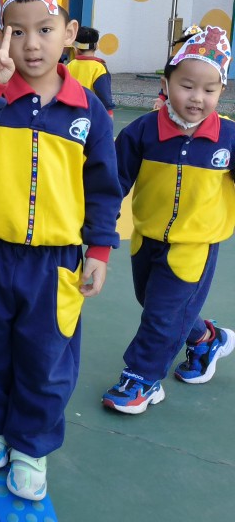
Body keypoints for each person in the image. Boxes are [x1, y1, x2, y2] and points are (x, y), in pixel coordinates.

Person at [0, 0, 122, 502]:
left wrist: (100, 250)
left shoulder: (89, 111)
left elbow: (104, 187)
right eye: (17, 32)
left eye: (44, 29)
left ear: (70, 32)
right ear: (0, 35)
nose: (32, 44)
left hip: (54, 262)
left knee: (47, 360)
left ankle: (31, 447)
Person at [102, 25, 235, 414]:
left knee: (162, 314)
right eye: (187, 86)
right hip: (147, 238)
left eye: (209, 90)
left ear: (221, 92)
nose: (197, 98)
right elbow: (114, 181)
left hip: (194, 246)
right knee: (153, 302)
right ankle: (206, 339)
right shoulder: (143, 131)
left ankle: (142, 379)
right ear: (166, 84)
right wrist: (98, 223)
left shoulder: (228, 137)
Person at [67, 26, 115, 116]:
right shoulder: (99, 68)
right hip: (91, 115)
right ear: (96, 46)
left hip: (70, 114)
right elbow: (105, 99)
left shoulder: (69, 66)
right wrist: (109, 117)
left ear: (75, 48)